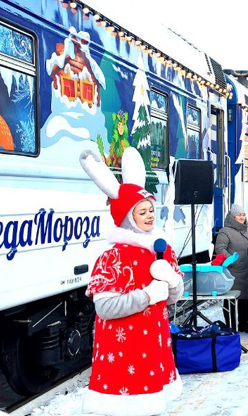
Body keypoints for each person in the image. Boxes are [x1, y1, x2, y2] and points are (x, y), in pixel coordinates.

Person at [78, 149, 184, 415]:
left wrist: (171, 282)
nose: (150, 216)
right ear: (127, 216)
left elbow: (175, 296)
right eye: (142, 211)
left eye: (151, 209)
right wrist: (148, 295)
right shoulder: (111, 257)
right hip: (122, 354)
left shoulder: (161, 250)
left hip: (154, 349)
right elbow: (105, 309)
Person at [215, 204, 248, 334]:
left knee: (244, 299)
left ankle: (243, 324)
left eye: (243, 215)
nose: (242, 217)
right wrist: (232, 260)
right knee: (231, 300)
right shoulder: (225, 231)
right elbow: (220, 249)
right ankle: (230, 325)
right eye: (239, 215)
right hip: (233, 271)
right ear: (232, 217)